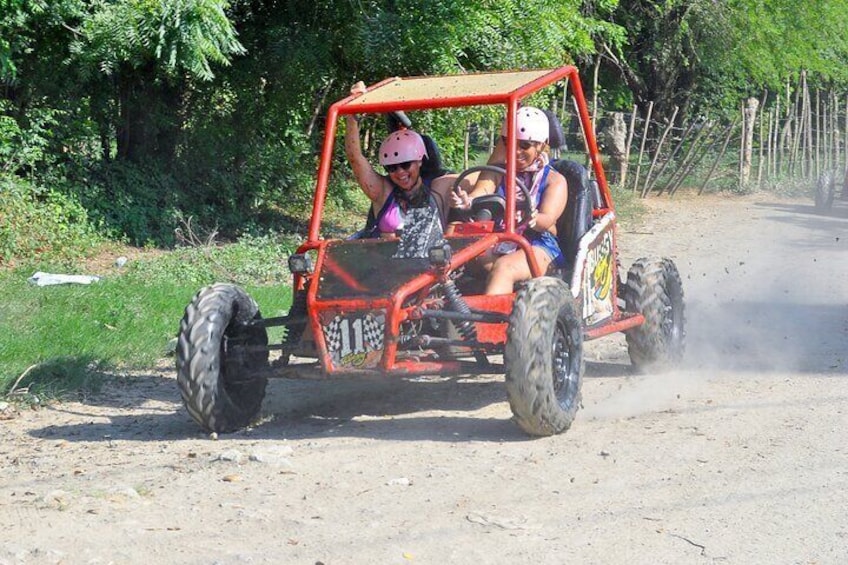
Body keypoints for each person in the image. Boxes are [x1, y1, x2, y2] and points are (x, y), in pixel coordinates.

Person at [451, 106, 568, 295]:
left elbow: (548, 220)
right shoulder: (497, 171)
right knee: (451, 247)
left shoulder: (555, 180)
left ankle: (493, 323)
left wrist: (533, 218)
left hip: (537, 244)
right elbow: (482, 191)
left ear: (541, 144)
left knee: (504, 267)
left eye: (524, 145)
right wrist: (467, 201)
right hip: (498, 239)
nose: (516, 152)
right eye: (509, 143)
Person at [345, 82, 455, 238]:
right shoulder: (382, 191)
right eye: (392, 167)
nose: (400, 172)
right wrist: (353, 114)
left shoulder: (440, 186)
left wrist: (467, 200)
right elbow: (354, 157)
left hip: (429, 260)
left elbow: (475, 179)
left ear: (419, 161)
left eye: (405, 165)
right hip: (384, 260)